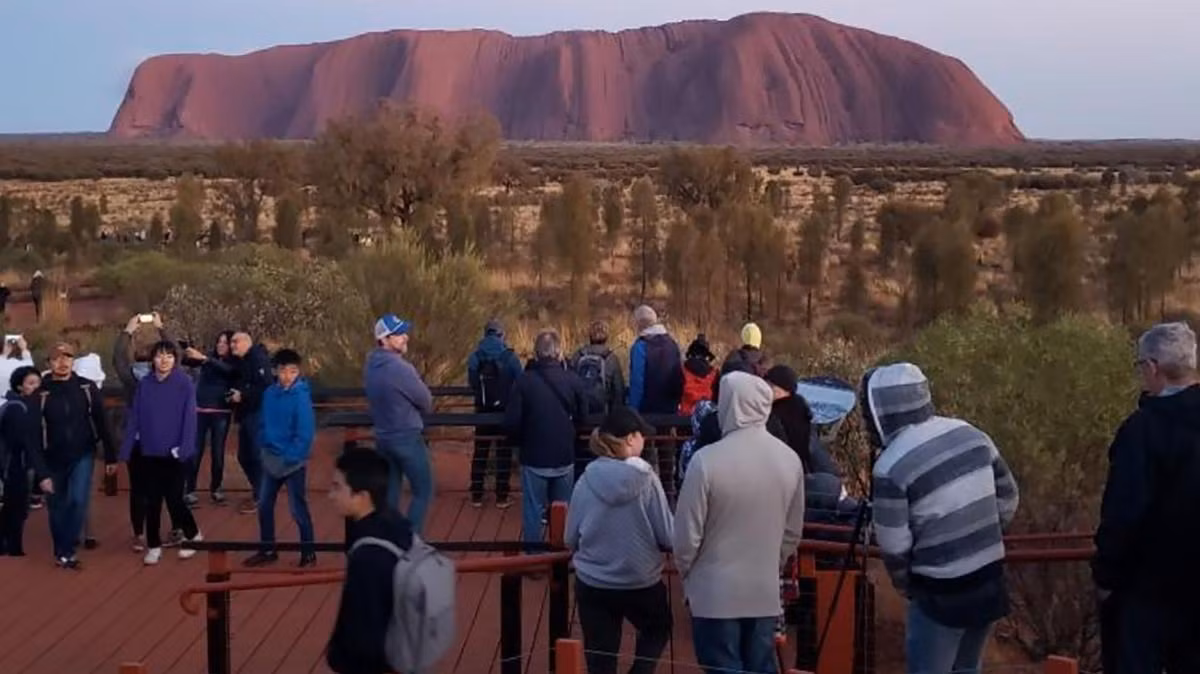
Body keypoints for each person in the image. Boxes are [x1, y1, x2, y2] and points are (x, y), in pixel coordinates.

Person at [862, 362, 1019, 674]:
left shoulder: (890, 466)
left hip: (940, 592)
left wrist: (910, 586)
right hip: (988, 577)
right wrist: (980, 537)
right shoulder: (972, 434)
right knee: (967, 668)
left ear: (882, 410)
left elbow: (894, 546)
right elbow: (1009, 496)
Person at [673, 371, 805, 674]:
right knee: (761, 666)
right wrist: (772, 564)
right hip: (763, 592)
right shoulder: (789, 460)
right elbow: (792, 531)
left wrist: (689, 575)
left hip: (713, 593)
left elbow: (686, 536)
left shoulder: (705, 461)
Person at [1094, 321, 1200, 674]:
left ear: (1153, 368)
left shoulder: (1142, 430)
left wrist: (1105, 576)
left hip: (1148, 591)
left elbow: (1124, 512)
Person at [565, 406, 674, 674]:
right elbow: (668, 535)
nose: (645, 440)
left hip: (594, 581)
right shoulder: (647, 479)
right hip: (640, 579)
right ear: (629, 439)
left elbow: (570, 537)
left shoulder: (587, 479)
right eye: (642, 435)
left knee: (600, 655)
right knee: (658, 628)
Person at [326, 448, 415, 674]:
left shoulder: (368, 556)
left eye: (337, 487)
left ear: (362, 497)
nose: (330, 495)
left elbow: (366, 632)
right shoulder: (396, 525)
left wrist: (340, 657)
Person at [33, 341, 118, 569]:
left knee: (79, 500)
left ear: (73, 360)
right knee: (57, 504)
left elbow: (103, 422)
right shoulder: (41, 393)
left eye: (68, 357)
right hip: (52, 457)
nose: (63, 362)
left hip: (83, 452)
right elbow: (31, 436)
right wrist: (40, 471)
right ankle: (62, 552)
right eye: (57, 358)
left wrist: (111, 456)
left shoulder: (86, 388)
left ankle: (67, 546)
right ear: (49, 363)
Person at [118, 340, 202, 565]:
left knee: (174, 498)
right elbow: (135, 416)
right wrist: (126, 448)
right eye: (159, 356)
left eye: (169, 356)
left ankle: (193, 535)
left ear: (175, 359)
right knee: (151, 501)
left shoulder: (184, 383)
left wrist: (184, 448)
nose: (164, 360)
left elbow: (190, 418)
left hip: (174, 453)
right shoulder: (145, 384)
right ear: (152, 360)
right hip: (149, 451)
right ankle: (154, 546)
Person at [504, 330, 586, 546]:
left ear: (536, 354)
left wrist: (520, 442)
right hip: (564, 454)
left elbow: (512, 422)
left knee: (533, 510)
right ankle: (561, 556)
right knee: (564, 509)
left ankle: (534, 559)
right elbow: (583, 416)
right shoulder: (572, 380)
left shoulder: (524, 381)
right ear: (559, 353)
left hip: (533, 456)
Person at [114, 312, 184, 550]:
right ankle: (175, 529)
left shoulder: (132, 379)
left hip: (141, 442)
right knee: (170, 488)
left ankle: (139, 534)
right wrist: (160, 328)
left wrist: (128, 330)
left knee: (140, 489)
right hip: (157, 441)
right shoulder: (152, 380)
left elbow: (118, 360)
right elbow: (179, 355)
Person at [244, 348, 317, 568]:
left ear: (299, 372)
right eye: (283, 371)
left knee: (298, 508)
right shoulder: (269, 394)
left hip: (292, 462)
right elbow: (263, 423)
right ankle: (267, 548)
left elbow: (304, 433)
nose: (287, 376)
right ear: (275, 371)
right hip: (270, 458)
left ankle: (308, 552)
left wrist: (291, 457)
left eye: (293, 372)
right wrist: (263, 446)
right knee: (265, 504)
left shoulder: (301, 397)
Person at [364, 313, 434, 534]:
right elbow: (426, 401)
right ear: (384, 340)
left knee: (390, 493)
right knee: (423, 491)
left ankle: (388, 538)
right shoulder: (400, 369)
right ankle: (409, 543)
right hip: (406, 438)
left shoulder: (370, 366)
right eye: (398, 334)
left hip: (383, 438)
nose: (406, 337)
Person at [466, 319, 522, 509]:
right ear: (501, 334)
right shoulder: (510, 357)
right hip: (504, 412)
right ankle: (501, 496)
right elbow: (520, 382)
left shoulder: (476, 356)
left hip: (482, 412)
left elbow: (472, 382)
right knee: (503, 453)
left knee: (480, 451)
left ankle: (476, 495)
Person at [628, 305, 684, 489]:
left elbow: (637, 382)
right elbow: (679, 377)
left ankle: (649, 496)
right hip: (669, 412)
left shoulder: (640, 347)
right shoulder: (672, 344)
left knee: (647, 459)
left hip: (646, 412)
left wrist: (633, 411)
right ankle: (669, 496)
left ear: (639, 324)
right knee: (667, 457)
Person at [0, 366, 51, 556]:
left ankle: (9, 544)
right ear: (20, 386)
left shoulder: (26, 405)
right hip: (15, 463)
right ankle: (12, 547)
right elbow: (21, 439)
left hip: (21, 461)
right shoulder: (18, 408)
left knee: (15, 505)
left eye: (38, 383)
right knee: (16, 505)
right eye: (31, 383)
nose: (36, 387)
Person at [183, 331, 237, 506]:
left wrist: (205, 358)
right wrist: (186, 350)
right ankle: (189, 489)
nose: (221, 345)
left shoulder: (234, 362)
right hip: (200, 411)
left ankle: (216, 488)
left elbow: (228, 371)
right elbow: (186, 360)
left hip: (221, 413)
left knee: (217, 452)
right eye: (219, 341)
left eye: (225, 342)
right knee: (195, 451)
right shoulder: (208, 358)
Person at [229, 330, 273, 515]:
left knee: (255, 455)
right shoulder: (242, 361)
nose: (232, 346)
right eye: (231, 342)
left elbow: (265, 386)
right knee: (244, 456)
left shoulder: (258, 359)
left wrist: (243, 395)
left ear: (247, 342)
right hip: (246, 413)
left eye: (235, 342)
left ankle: (262, 496)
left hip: (257, 413)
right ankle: (260, 491)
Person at [679, 334, 716, 416]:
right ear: (707, 356)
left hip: (685, 417)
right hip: (706, 417)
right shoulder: (714, 374)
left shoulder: (682, 371)